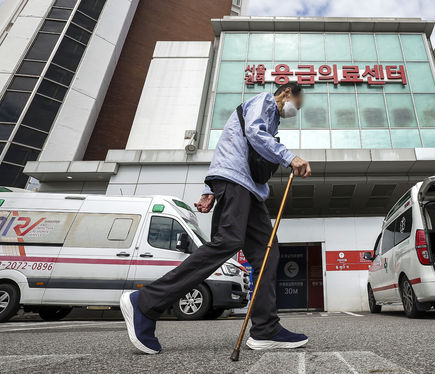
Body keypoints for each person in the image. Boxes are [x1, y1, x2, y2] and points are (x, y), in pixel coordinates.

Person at [120, 82, 312, 354]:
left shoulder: (273, 119)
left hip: (250, 190)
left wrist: (210, 190)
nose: (297, 109)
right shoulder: (264, 102)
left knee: (267, 255)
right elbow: (253, 133)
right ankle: (145, 302)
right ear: (286, 93)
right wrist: (289, 157)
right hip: (237, 184)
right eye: (298, 102)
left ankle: (266, 329)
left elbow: (231, 144)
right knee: (227, 241)